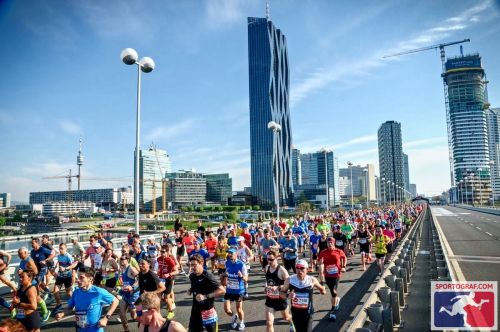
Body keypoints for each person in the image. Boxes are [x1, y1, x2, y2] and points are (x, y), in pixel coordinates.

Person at [55, 267, 119, 332]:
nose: (78, 280)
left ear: (90, 279)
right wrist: (62, 313)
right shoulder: (76, 292)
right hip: (80, 328)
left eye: (81, 277)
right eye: (78, 277)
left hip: (95, 329)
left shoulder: (98, 292)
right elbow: (70, 308)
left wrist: (106, 318)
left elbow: (115, 301)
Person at [281, 260, 326, 332]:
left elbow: (322, 289)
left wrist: (323, 290)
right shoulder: (290, 279)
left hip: (308, 313)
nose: (299, 270)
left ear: (307, 269)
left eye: (302, 268)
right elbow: (281, 293)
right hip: (295, 313)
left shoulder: (312, 280)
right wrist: (287, 295)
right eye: (297, 268)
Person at [187, 254, 225, 332]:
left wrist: (205, 296)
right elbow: (196, 286)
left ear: (201, 263)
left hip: (208, 311)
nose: (192, 267)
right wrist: (191, 290)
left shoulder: (208, 276)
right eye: (191, 265)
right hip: (195, 310)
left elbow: (222, 290)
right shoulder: (192, 276)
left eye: (194, 265)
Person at [318, 238, 347, 321]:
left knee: (333, 291)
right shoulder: (323, 252)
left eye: (331, 242)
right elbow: (318, 261)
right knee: (332, 291)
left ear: (334, 243)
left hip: (336, 274)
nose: (329, 244)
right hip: (327, 275)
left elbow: (344, 258)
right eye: (328, 242)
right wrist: (320, 263)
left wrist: (343, 267)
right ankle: (336, 299)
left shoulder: (338, 251)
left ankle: (333, 310)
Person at [264, 250, 292, 332]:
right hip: (270, 299)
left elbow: (289, 284)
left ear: (276, 258)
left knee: (286, 317)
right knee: (269, 323)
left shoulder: (282, 270)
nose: (269, 261)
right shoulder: (267, 267)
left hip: (280, 299)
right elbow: (267, 280)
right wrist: (266, 287)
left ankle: (292, 323)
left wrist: (278, 287)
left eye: (271, 259)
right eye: (268, 259)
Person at [223, 248, 248, 331]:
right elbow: (226, 272)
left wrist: (241, 276)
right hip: (229, 290)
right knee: (226, 310)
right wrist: (224, 275)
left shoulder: (241, 264)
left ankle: (242, 322)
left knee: (239, 309)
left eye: (231, 253)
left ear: (236, 254)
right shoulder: (227, 263)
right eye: (228, 253)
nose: (229, 255)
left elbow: (247, 279)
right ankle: (234, 316)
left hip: (239, 291)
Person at [53, 243, 77, 313]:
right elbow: (59, 263)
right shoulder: (59, 256)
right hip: (60, 276)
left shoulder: (68, 256)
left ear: (66, 249)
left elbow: (74, 265)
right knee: (55, 291)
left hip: (68, 277)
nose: (60, 250)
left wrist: (73, 276)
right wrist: (55, 268)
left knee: (69, 293)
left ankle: (74, 304)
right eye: (59, 248)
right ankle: (59, 304)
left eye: (62, 248)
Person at [118, 254, 140, 332]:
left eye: (123, 259)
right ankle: (126, 330)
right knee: (121, 314)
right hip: (125, 293)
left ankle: (143, 325)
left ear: (128, 260)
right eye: (121, 259)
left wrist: (132, 287)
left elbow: (139, 279)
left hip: (133, 294)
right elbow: (122, 281)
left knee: (133, 315)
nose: (121, 260)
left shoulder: (131, 268)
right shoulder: (121, 268)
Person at [30, 238, 54, 303]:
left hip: (42, 269)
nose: (31, 244)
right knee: (40, 283)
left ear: (37, 243)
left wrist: (46, 260)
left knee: (36, 282)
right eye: (31, 243)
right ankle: (49, 294)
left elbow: (53, 253)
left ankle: (37, 298)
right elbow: (31, 261)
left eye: (33, 243)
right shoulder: (32, 251)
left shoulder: (42, 249)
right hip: (36, 270)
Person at [157, 246, 178, 320]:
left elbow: (176, 271)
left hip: (169, 279)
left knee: (166, 298)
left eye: (163, 252)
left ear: (167, 252)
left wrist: (168, 274)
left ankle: (171, 312)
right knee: (158, 297)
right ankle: (158, 313)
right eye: (161, 251)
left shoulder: (169, 260)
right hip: (160, 279)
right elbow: (158, 267)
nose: (161, 253)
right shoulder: (158, 259)